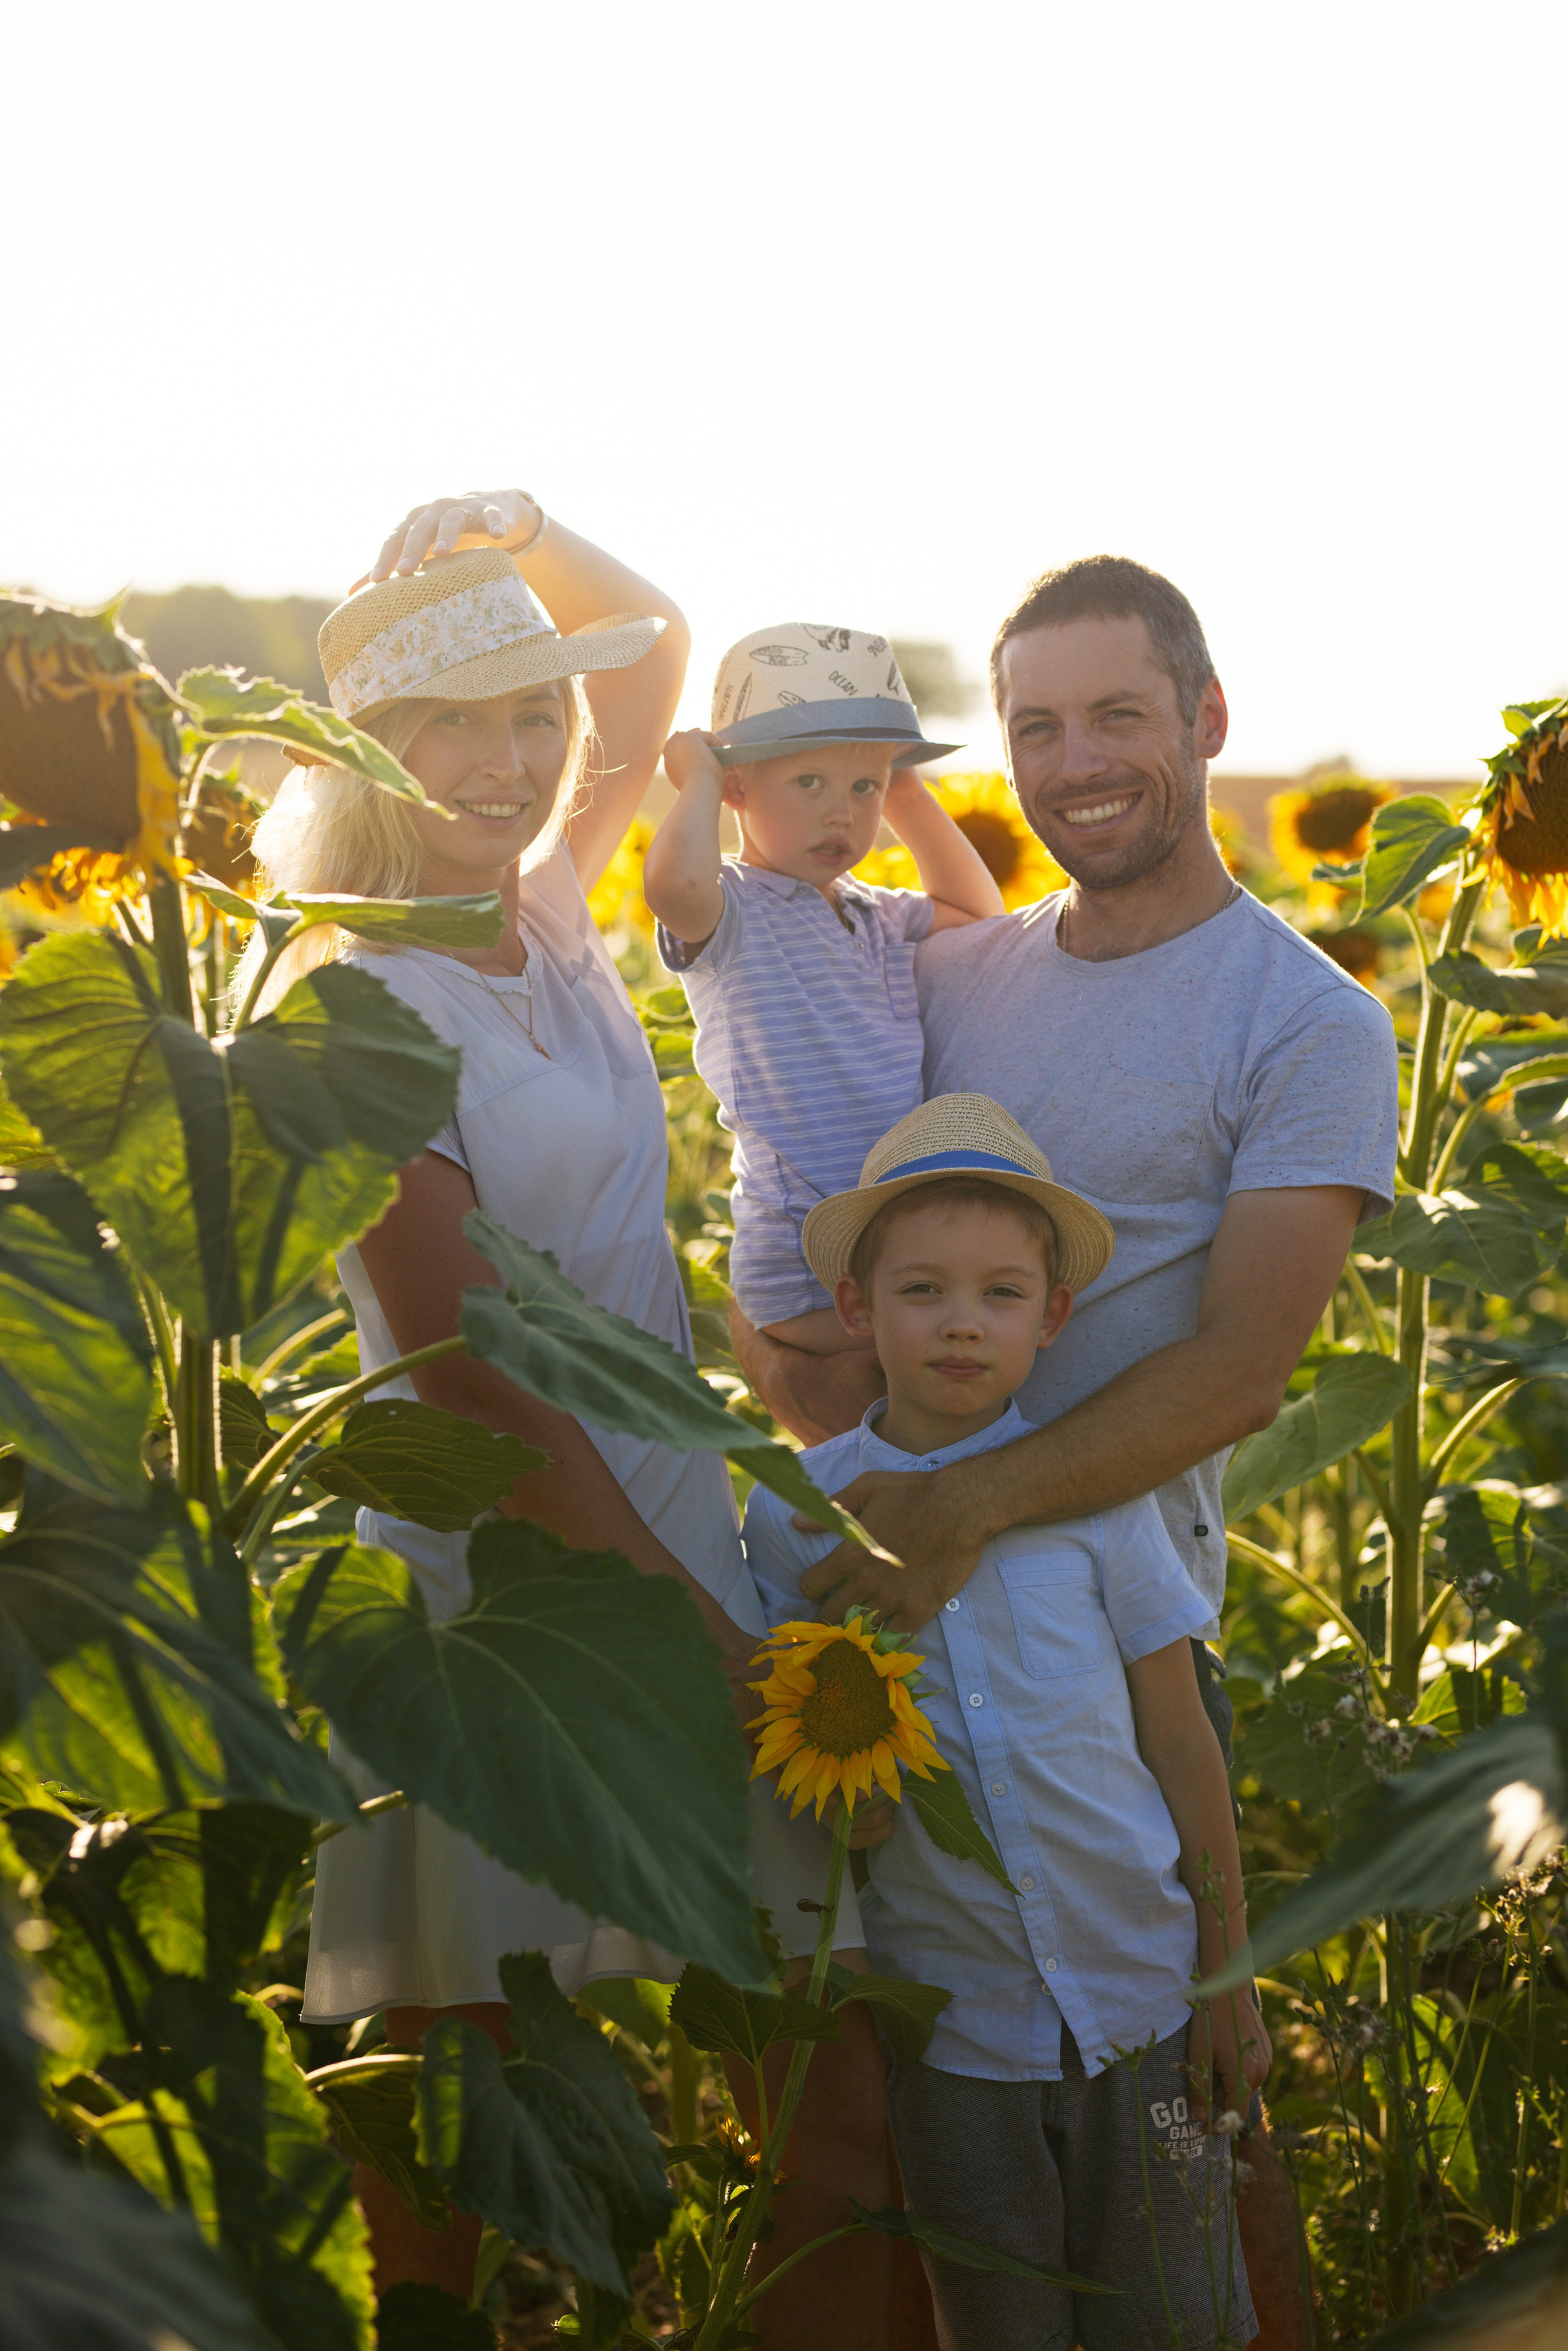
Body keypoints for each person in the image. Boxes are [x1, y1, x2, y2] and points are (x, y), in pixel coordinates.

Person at [249, 490, 896, 2342]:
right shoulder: (345, 1007)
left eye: (531, 713)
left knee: (819, 2077)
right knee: (459, 2130)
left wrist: (525, 529)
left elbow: (656, 662)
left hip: (673, 1518)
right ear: (366, 745)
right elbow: (472, 1374)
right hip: (493, 1602)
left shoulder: (543, 913)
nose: (513, 757)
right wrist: (695, 1643)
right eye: (454, 718)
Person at [732, 554, 1400, 2349]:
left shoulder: (1305, 1020)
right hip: (899, 1650)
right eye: (1034, 724)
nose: (1074, 758)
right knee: (944, 2175)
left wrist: (961, 1503)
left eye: (1116, 714)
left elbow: (1243, 1370)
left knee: (1188, 2159)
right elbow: (822, 1149)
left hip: (1114, 1627)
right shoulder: (964, 969)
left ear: (1204, 720)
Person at [743, 1092, 1268, 2350]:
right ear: (859, 1309)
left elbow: (1177, 1737)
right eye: (922, 1290)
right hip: (955, 2022)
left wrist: (1226, 1976)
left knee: (1178, 2317)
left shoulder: (1096, 1495)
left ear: (1052, 1316)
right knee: (997, 2322)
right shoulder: (795, 1514)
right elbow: (783, 1730)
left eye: (998, 1293)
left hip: (1143, 1996)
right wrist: (845, 1806)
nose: (962, 1322)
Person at [644, 624, 1002, 1362]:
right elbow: (672, 885)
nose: (841, 812)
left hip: (890, 1238)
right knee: (898, 1412)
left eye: (862, 787)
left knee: (925, 1427)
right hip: (802, 1246)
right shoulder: (732, 910)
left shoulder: (875, 912)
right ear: (739, 787)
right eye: (809, 783)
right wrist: (700, 784)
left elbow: (977, 914)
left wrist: (904, 792)